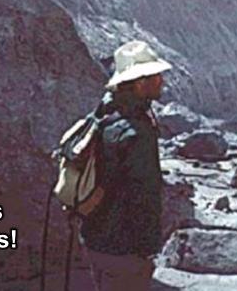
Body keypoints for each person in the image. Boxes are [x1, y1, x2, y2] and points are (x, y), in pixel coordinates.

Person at [79, 40, 171, 291]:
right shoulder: (136, 132)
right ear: (140, 83)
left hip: (96, 238)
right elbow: (144, 194)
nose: (162, 80)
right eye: (156, 76)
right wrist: (148, 248)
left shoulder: (105, 113)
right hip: (124, 247)